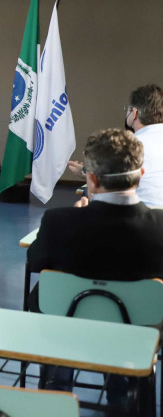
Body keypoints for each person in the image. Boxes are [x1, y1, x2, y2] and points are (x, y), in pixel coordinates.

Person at [28, 128, 163, 406]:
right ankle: (125, 395)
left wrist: (77, 218)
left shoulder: (58, 222)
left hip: (67, 332)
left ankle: (57, 391)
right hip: (139, 335)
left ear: (91, 179)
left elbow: (36, 262)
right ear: (142, 174)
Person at [69, 85, 163, 207]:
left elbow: (104, 194)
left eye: (128, 109)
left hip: (136, 217)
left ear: (134, 113)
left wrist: (90, 174)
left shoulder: (128, 146)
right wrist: (86, 172)